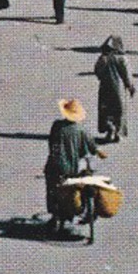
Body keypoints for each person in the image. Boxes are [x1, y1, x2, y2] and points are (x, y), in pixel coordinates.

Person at [44, 98, 103, 232]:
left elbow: (51, 143)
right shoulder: (82, 130)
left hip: (56, 165)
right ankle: (73, 212)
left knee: (52, 188)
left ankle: (55, 216)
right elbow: (92, 147)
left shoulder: (57, 125)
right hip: (73, 167)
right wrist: (98, 151)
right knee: (75, 187)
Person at [94, 36, 135, 143]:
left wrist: (103, 77)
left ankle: (109, 129)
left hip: (105, 87)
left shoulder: (103, 58)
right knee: (119, 110)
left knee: (106, 109)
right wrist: (130, 87)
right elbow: (127, 75)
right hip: (119, 88)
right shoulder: (122, 59)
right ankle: (118, 132)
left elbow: (97, 71)